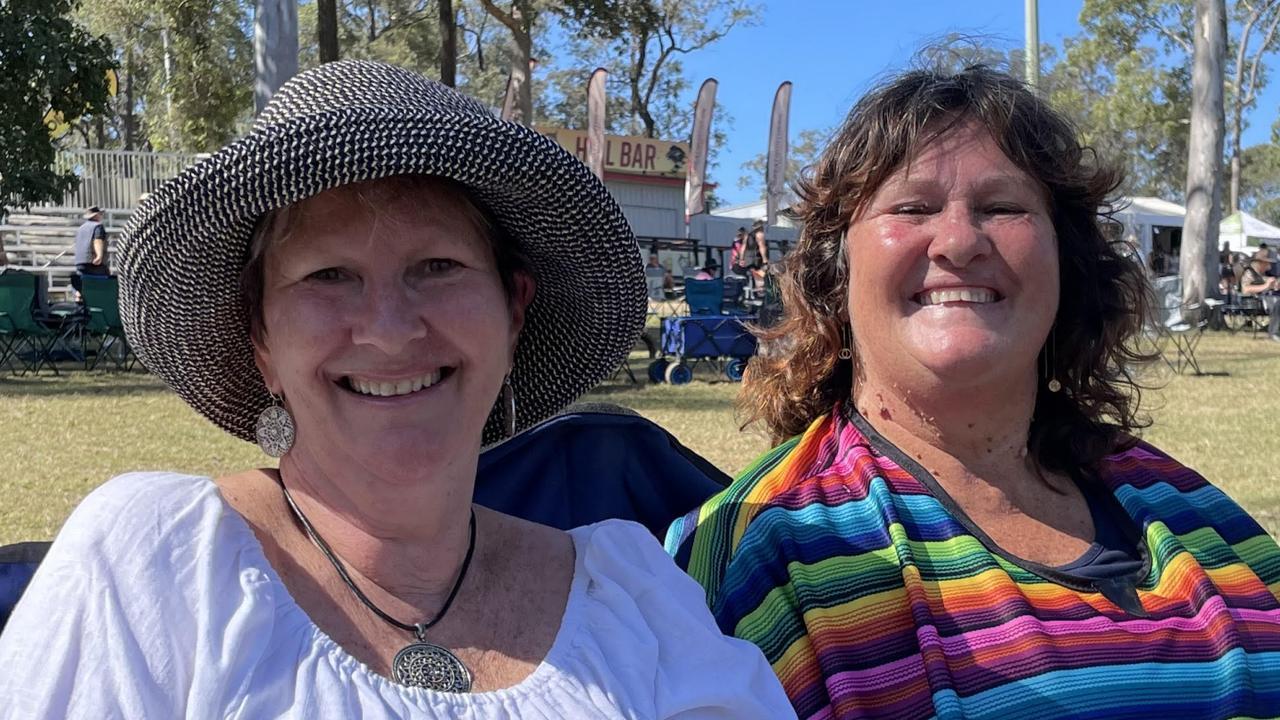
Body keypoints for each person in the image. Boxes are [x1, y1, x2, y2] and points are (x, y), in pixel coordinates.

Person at [0, 61, 793, 719]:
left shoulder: (633, 599)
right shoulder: (158, 570)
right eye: (328, 275)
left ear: (513, 313)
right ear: (261, 338)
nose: (387, 328)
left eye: (437, 268)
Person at [666, 65, 1280, 720]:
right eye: (911, 208)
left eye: (1002, 207)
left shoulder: (1185, 504)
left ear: (1066, 264)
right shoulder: (760, 552)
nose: (958, 241)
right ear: (834, 271)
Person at [1240, 249, 1280, 341]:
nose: (1269, 266)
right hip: (1252, 302)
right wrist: (1266, 286)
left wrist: (1275, 285)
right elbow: (1246, 289)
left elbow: (1269, 284)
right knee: (1278, 304)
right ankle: (1273, 333)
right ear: (1261, 263)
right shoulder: (1249, 273)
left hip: (1266, 300)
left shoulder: (1261, 274)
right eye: (1267, 263)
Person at [71, 205, 109, 293]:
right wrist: (99, 256)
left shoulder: (81, 228)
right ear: (96, 215)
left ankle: (78, 295)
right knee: (106, 279)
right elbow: (97, 240)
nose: (101, 216)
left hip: (80, 262)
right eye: (100, 214)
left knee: (81, 284)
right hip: (92, 262)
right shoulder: (98, 226)